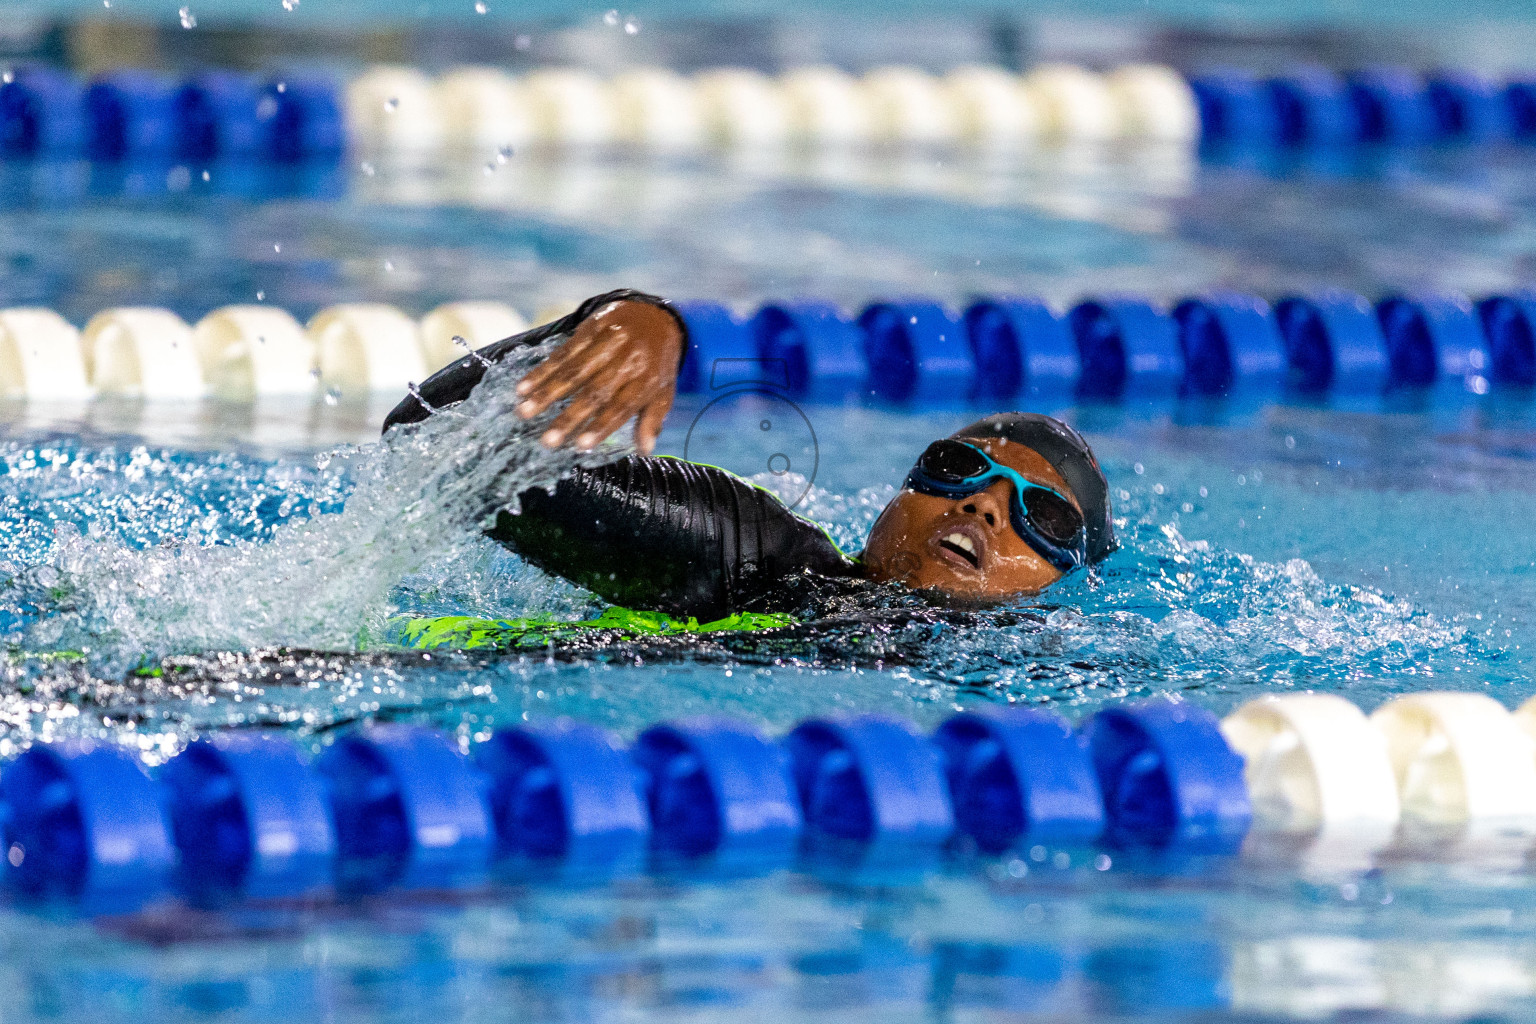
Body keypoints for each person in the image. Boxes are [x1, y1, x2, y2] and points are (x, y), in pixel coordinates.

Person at [384, 289, 1117, 624]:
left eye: (1042, 512)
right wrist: (616, 318)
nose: (985, 503)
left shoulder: (1066, 685)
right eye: (956, 469)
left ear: (1068, 580)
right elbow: (436, 439)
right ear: (897, 497)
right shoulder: (757, 561)